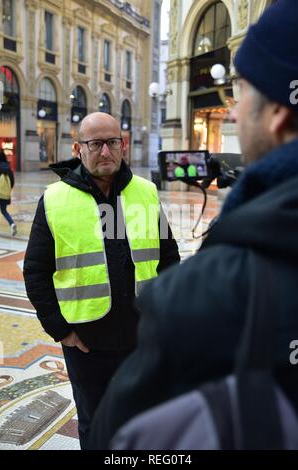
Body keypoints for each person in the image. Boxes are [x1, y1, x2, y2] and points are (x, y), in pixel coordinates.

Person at [88, 0, 298, 449]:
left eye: (242, 92)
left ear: (280, 111)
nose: (234, 113)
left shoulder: (209, 296)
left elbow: (120, 442)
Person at [23, 112, 180, 449]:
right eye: (95, 144)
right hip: (87, 340)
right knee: (96, 423)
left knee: (142, 417)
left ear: (122, 146)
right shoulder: (55, 200)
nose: (105, 152)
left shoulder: (146, 194)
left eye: (112, 142)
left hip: (142, 335)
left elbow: (169, 259)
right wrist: (60, 330)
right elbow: (35, 272)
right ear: (79, 148)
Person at [0, 149, 16, 236]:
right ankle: (12, 224)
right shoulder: (8, 168)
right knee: (4, 210)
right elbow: (12, 182)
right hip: (5, 194)